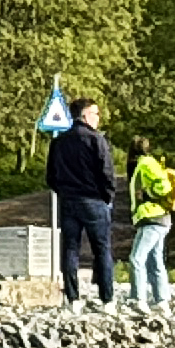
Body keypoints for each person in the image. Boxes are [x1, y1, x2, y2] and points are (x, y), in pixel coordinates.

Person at [44, 95, 120, 305]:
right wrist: (107, 196)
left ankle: (73, 298)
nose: (98, 118)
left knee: (70, 249)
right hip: (94, 200)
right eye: (96, 113)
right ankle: (107, 299)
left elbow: (51, 176)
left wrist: (63, 191)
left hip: (69, 201)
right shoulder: (96, 139)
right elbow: (107, 172)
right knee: (102, 249)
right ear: (86, 115)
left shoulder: (59, 142)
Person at [125, 135, 175, 306]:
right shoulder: (149, 163)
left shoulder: (146, 163)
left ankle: (138, 299)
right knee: (155, 260)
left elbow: (164, 186)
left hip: (153, 217)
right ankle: (162, 300)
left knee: (137, 258)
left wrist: (148, 194)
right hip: (158, 218)